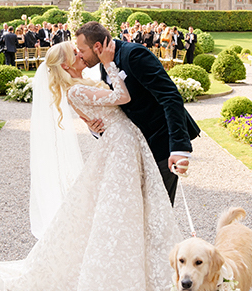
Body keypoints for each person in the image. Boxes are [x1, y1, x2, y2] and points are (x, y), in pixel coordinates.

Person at [0, 39, 186, 291]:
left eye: (79, 50)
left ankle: (146, 289)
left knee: (131, 212)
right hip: (121, 149)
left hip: (124, 144)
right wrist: (111, 65)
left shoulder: (81, 85)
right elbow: (121, 98)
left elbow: (102, 117)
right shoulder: (75, 90)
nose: (81, 55)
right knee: (119, 216)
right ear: (68, 64)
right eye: (76, 53)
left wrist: (95, 123)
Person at [75, 22, 199, 204]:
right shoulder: (105, 63)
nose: (80, 55)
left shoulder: (134, 54)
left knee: (158, 212)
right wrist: (96, 128)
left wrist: (179, 147)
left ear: (97, 46)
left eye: (81, 50)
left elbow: (170, 97)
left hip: (161, 144)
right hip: (137, 148)